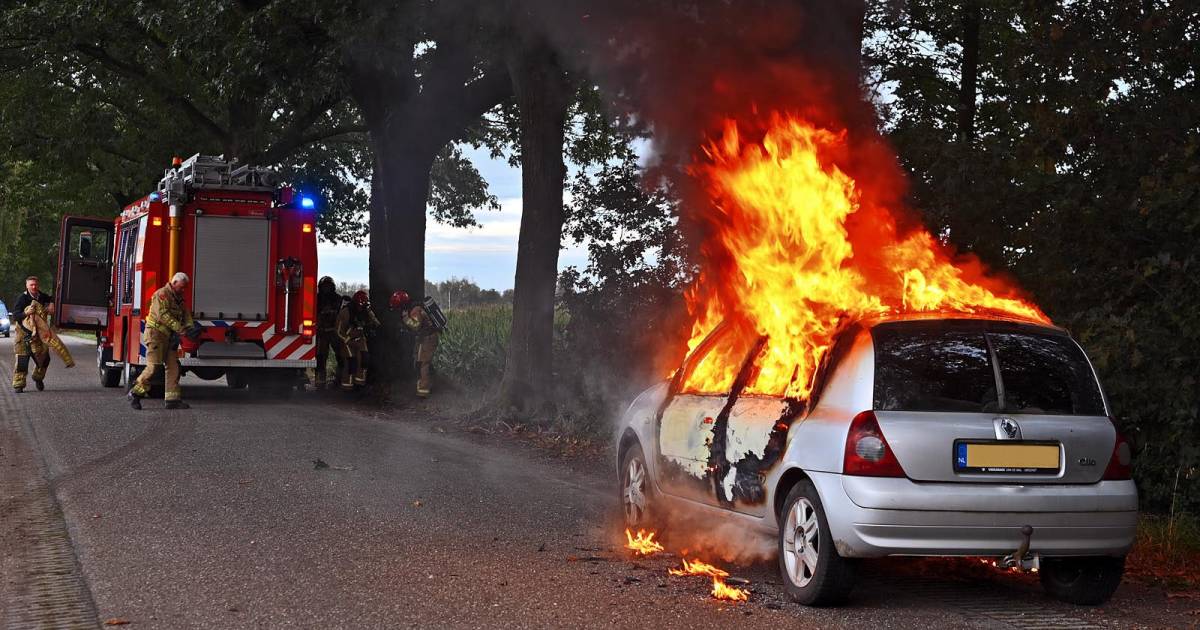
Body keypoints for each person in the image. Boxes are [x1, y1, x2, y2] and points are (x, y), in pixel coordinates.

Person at [128, 272, 201, 410]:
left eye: (185, 288)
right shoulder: (161, 295)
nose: (183, 290)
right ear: (174, 283)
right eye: (181, 287)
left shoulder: (178, 298)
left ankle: (172, 400)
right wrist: (181, 329)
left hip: (170, 337)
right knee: (153, 367)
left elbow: (185, 314)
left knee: (174, 367)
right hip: (156, 335)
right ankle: (135, 393)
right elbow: (163, 315)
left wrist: (191, 327)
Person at [11, 276, 74, 392]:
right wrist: (26, 314)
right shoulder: (22, 298)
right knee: (22, 361)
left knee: (44, 359)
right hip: (23, 334)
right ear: (27, 286)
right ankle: (19, 384)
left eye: (35, 284)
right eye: (31, 285)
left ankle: (38, 378)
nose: (34, 287)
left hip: (40, 334)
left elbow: (53, 297)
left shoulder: (41, 296)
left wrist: (51, 303)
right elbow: (15, 316)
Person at [390, 290, 441, 398]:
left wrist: (405, 318)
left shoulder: (415, 310)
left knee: (423, 364)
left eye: (399, 307)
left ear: (402, 305)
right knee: (419, 363)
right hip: (425, 338)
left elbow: (416, 326)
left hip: (428, 338)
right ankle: (430, 384)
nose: (399, 310)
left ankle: (423, 392)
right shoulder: (415, 307)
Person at [335, 290, 379, 390]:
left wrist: (369, 312)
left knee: (364, 360)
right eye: (360, 306)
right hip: (348, 341)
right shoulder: (346, 312)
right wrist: (347, 340)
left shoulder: (366, 311)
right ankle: (347, 387)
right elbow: (338, 331)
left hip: (361, 340)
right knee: (351, 363)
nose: (361, 308)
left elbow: (376, 324)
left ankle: (359, 385)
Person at [313, 276, 345, 390]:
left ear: (332, 287)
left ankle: (340, 379)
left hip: (334, 332)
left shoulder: (338, 299)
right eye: (324, 286)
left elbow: (342, 313)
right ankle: (320, 383)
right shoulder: (316, 299)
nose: (326, 289)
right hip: (321, 332)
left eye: (328, 286)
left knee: (341, 356)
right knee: (321, 358)